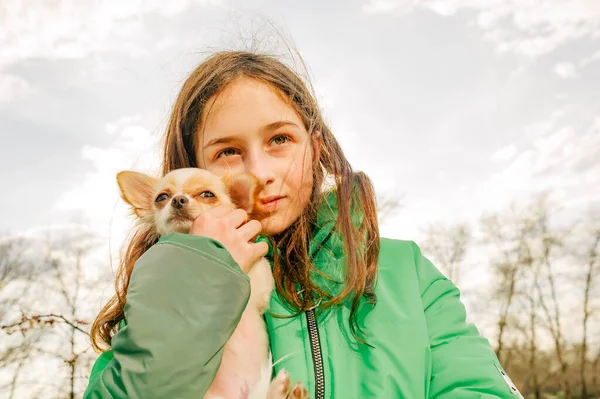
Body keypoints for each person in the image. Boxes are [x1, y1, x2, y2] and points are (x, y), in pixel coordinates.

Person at [83, 50, 521, 398]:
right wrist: (200, 276)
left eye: (279, 140)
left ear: (315, 148)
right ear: (196, 169)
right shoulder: (161, 291)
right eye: (227, 151)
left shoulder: (405, 272)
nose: (259, 170)